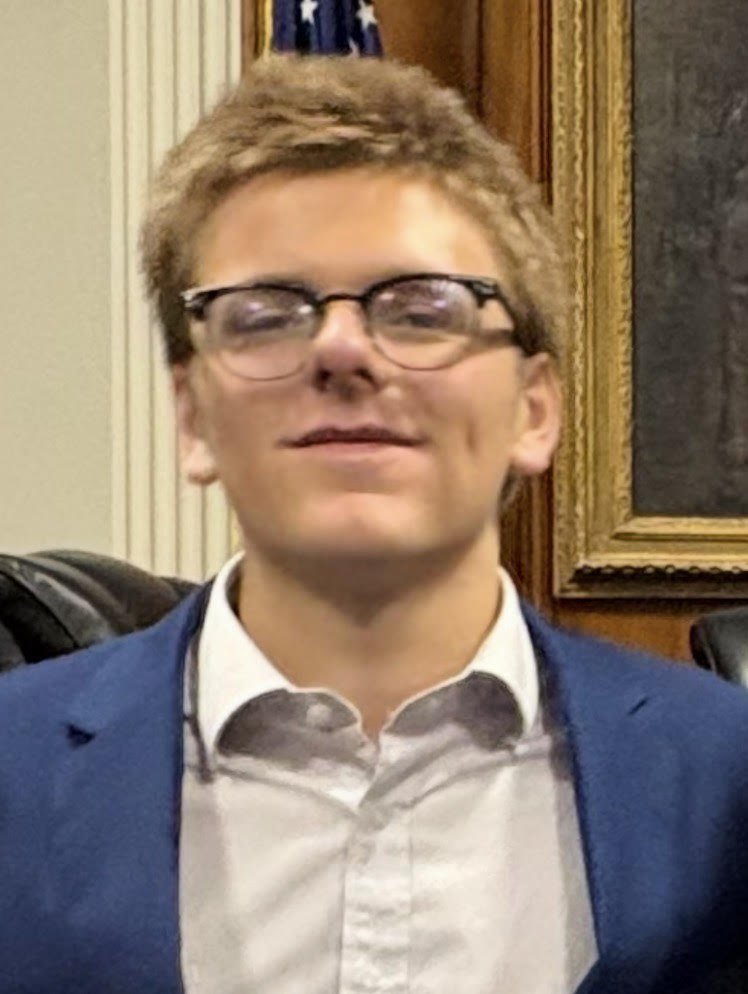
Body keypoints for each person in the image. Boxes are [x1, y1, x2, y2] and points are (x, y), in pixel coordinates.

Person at [1, 55, 747, 994]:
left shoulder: (727, 781)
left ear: (534, 410)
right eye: (265, 314)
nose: (343, 349)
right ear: (192, 418)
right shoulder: (12, 771)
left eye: (423, 309)